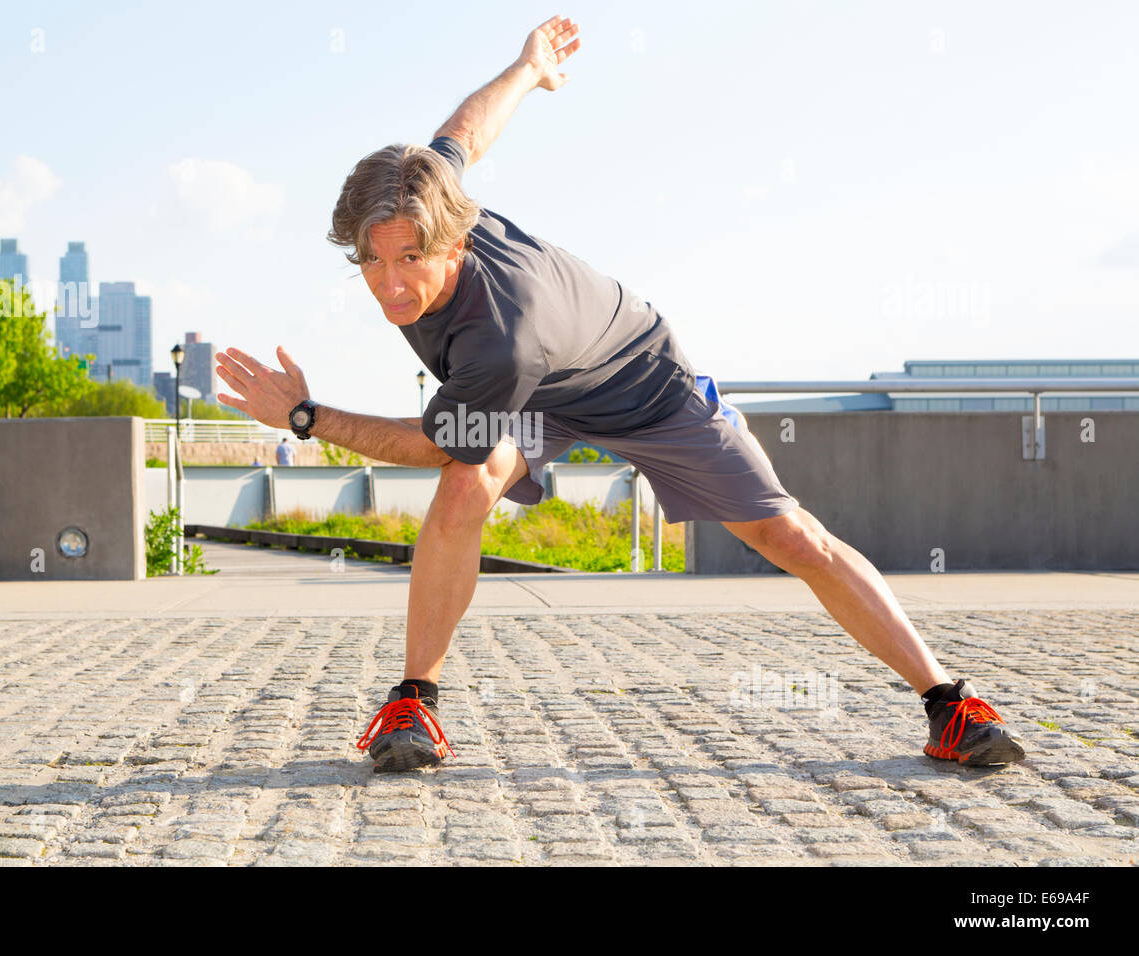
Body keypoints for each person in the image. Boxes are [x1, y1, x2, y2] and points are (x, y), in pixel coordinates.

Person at [215, 15, 1025, 773]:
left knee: (792, 538)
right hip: (539, 395)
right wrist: (529, 69)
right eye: (371, 262)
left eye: (410, 262)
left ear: (454, 239)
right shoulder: (431, 191)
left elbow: (429, 442)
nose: (390, 286)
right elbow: (466, 130)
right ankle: (412, 705)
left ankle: (950, 706)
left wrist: (303, 418)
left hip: (644, 385)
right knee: (467, 489)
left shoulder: (504, 332)